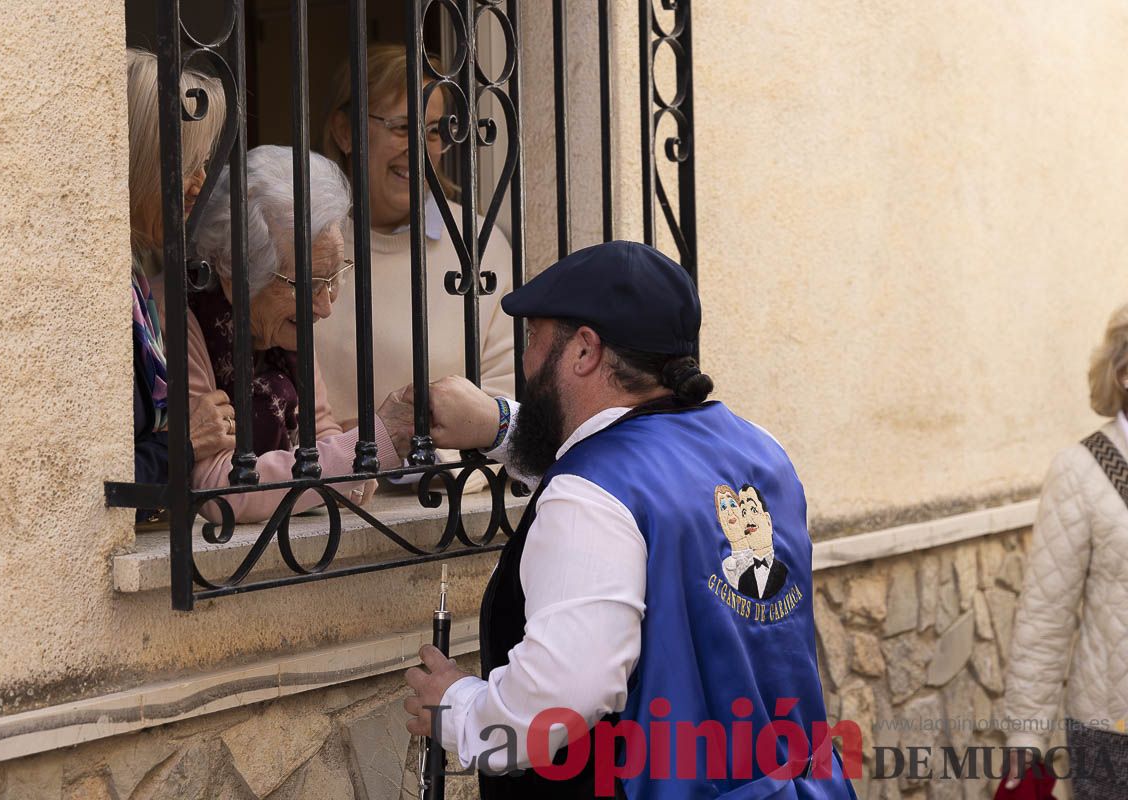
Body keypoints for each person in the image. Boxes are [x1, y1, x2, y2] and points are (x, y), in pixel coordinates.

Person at [398, 241, 856, 798]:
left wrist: (457, 709)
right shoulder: (762, 451)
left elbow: (559, 698)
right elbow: (637, 471)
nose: (525, 361)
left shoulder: (590, 493)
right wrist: (499, 427)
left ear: (585, 350)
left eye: (534, 337)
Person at [152, 145, 412, 524]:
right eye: (304, 284)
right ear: (235, 271)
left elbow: (321, 434)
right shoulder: (174, 314)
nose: (324, 306)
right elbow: (218, 490)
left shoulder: (286, 325)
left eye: (334, 277)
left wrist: (354, 458)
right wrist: (354, 457)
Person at [317, 43, 515, 427]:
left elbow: (502, 402)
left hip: (440, 484)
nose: (420, 150)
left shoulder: (478, 244)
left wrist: (420, 455)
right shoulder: (298, 242)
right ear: (345, 132)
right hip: (318, 484)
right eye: (404, 128)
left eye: (435, 131)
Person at [1002, 303, 1128, 797]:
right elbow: (1045, 617)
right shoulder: (1081, 470)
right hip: (1111, 737)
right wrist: (1025, 737)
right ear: (1124, 374)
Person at [125, 48, 235, 521]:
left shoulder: (133, 282)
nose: (200, 184)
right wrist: (184, 444)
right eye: (187, 162)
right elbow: (93, 491)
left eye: (205, 162)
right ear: (137, 158)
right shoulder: (94, 293)